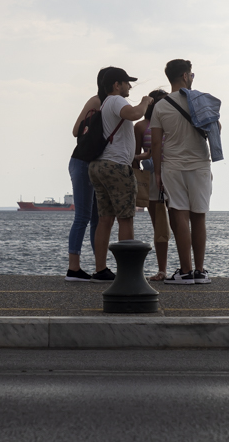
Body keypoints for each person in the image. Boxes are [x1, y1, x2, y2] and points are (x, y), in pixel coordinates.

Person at [87, 68, 153, 282]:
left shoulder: (106, 103)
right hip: (116, 168)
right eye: (126, 83)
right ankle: (128, 272)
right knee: (126, 218)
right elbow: (135, 114)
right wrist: (145, 101)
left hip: (100, 166)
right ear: (117, 85)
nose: (129, 87)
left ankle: (100, 270)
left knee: (105, 219)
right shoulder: (115, 101)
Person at [151, 59, 213, 285]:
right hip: (200, 165)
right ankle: (200, 270)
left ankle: (185, 272)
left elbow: (156, 144)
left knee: (179, 215)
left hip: (173, 166)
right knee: (199, 216)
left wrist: (157, 173)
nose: (193, 78)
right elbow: (216, 130)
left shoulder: (160, 106)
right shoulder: (201, 100)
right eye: (192, 74)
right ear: (185, 76)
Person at [65, 66, 113, 282]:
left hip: (94, 165)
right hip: (82, 162)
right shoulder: (96, 102)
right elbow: (76, 131)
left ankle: (99, 267)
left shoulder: (110, 104)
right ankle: (73, 268)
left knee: (96, 217)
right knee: (83, 216)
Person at [134, 89, 171, 281]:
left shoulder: (172, 122)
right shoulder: (141, 126)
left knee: (178, 222)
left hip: (173, 174)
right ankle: (162, 270)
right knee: (159, 226)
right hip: (151, 178)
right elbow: (134, 157)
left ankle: (185, 268)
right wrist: (143, 158)